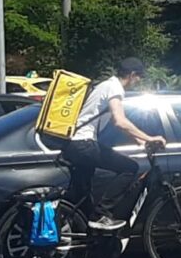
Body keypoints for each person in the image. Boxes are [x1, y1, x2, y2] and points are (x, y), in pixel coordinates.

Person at [64, 57, 167, 230]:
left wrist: (140, 141)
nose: (139, 81)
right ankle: (102, 214)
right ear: (133, 75)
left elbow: (115, 122)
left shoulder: (106, 85)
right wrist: (150, 138)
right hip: (83, 143)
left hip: (75, 144)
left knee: (82, 196)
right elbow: (120, 121)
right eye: (139, 77)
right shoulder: (115, 88)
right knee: (130, 168)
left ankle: (80, 232)